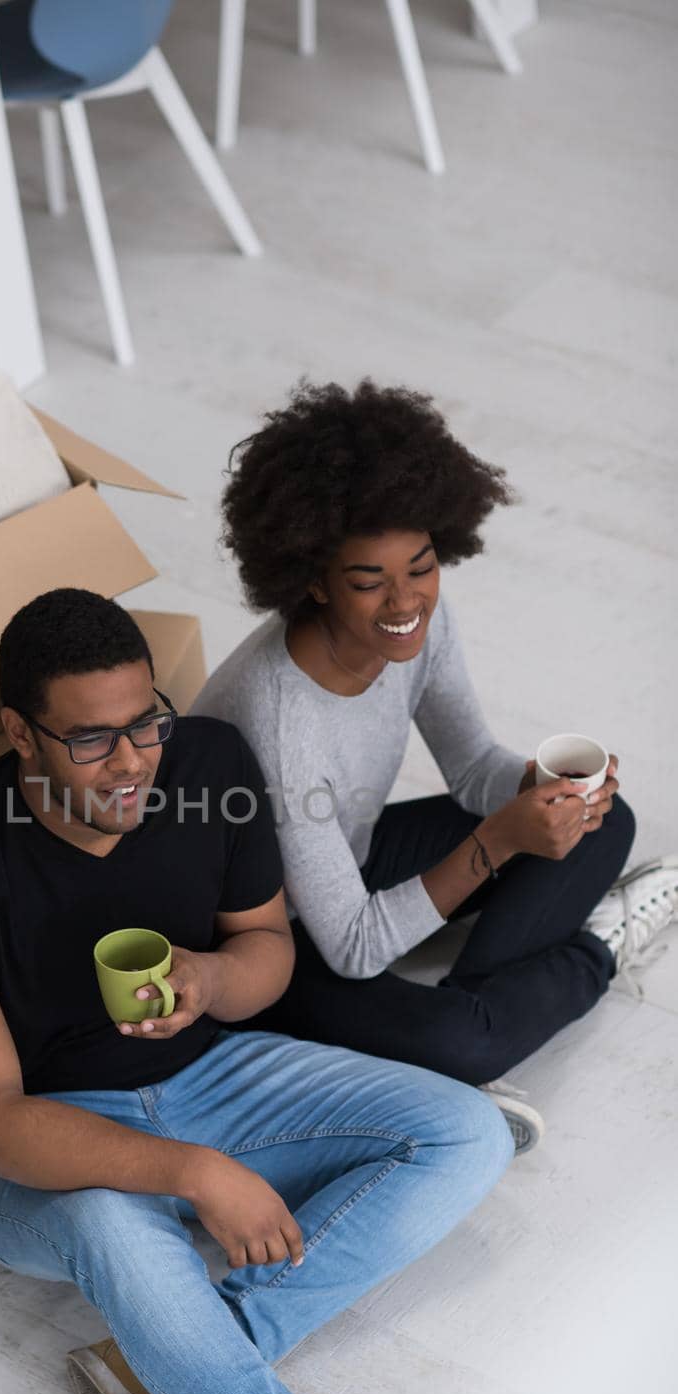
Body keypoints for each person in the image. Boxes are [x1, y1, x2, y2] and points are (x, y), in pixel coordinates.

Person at [0, 587, 515, 1394]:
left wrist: (212, 977)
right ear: (21, 731)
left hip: (208, 1072)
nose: (133, 760)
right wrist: (193, 1171)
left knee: (467, 1130)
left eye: (146, 722)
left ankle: (166, 1355)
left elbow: (264, 949)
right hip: (34, 1133)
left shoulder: (209, 763)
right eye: (93, 740)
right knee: (106, 1218)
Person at [193, 379, 676, 1153]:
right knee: (464, 1041)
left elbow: (473, 766)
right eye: (368, 581)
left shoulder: (420, 622)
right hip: (264, 938)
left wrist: (538, 795)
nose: (405, 600)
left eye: (420, 567)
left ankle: (478, 1012)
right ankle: (594, 950)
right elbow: (350, 946)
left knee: (603, 818)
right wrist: (499, 845)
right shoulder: (278, 717)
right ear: (312, 580)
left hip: (348, 856)